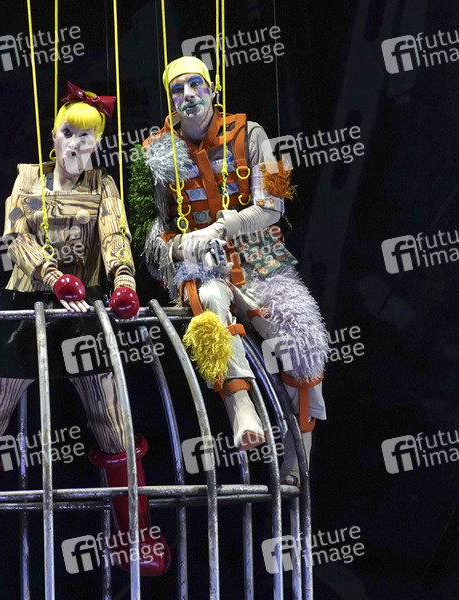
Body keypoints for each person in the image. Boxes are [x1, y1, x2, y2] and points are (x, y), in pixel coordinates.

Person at [0, 82, 170, 576]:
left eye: (87, 137)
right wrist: (52, 276)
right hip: (25, 307)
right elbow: (16, 237)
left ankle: (134, 536)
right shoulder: (28, 178)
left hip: (82, 310)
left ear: (97, 143)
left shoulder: (104, 185)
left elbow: (115, 236)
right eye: (69, 133)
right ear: (55, 135)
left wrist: (124, 282)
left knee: (111, 417)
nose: (76, 145)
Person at [137, 57, 328, 486]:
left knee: (303, 338)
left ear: (212, 89)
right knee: (208, 303)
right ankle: (240, 406)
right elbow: (149, 227)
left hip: (262, 258)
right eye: (177, 90)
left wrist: (225, 226)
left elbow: (276, 202)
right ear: (170, 100)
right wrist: (178, 245)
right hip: (202, 264)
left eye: (196, 85)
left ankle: (296, 463)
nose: (188, 95)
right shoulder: (155, 152)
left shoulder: (253, 133)